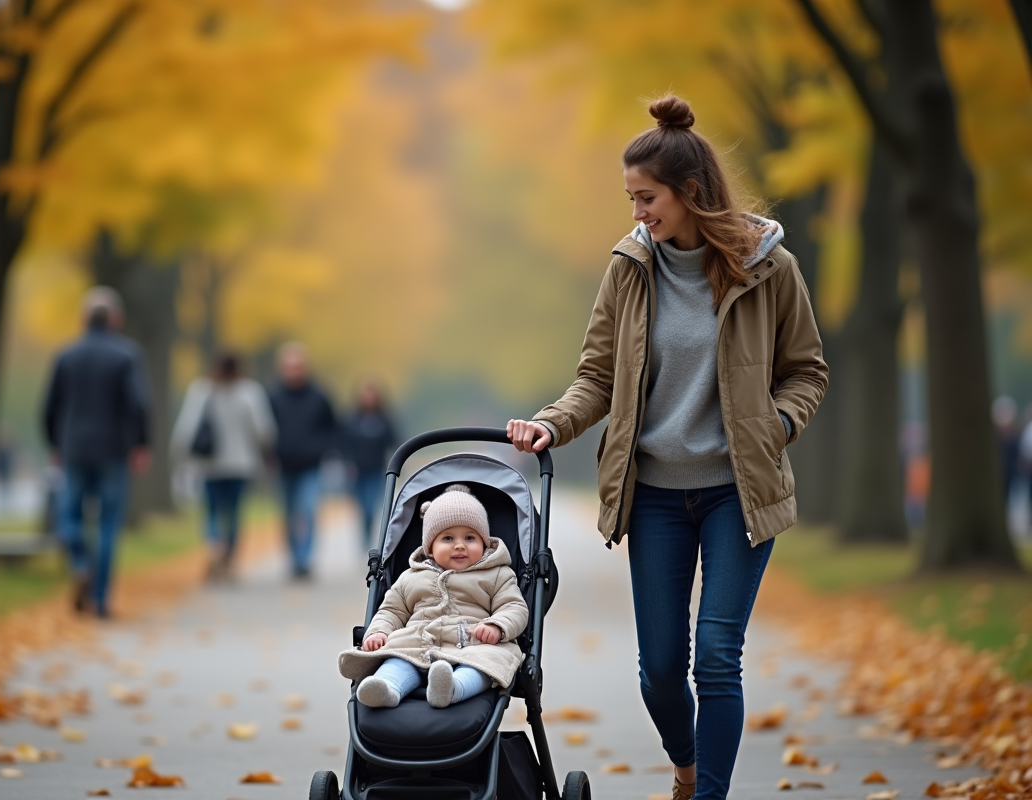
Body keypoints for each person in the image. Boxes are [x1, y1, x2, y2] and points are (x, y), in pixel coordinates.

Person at [506, 96, 828, 800]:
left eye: (645, 197)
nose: (637, 213)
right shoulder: (628, 269)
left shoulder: (770, 269)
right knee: (659, 668)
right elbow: (597, 375)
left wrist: (776, 425)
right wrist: (551, 424)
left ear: (689, 193)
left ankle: (708, 793)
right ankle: (684, 766)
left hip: (737, 491)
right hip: (653, 497)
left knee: (717, 656)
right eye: (630, 198)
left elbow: (806, 370)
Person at [338, 484, 529, 708]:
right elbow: (392, 610)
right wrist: (379, 631)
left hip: (472, 645)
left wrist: (497, 626)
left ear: (484, 543)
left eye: (470, 538)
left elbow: (515, 607)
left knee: (485, 666)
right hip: (417, 643)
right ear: (429, 548)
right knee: (397, 660)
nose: (459, 546)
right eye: (448, 539)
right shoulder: (412, 576)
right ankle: (386, 688)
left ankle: (452, 688)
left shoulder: (496, 574)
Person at [42, 286, 151, 618]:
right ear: (116, 319)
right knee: (107, 524)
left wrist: (54, 443)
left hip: (73, 447)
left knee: (69, 515)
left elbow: (50, 407)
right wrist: (141, 444)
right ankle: (101, 600)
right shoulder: (127, 355)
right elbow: (139, 404)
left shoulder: (65, 355)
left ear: (83, 318)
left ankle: (79, 561)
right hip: (113, 450)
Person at [171, 351, 276, 580]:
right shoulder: (250, 391)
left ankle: (212, 543)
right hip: (241, 464)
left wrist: (180, 451)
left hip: (209, 464)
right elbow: (264, 430)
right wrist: (263, 447)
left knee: (211, 510)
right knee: (234, 512)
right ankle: (228, 561)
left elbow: (187, 426)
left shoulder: (202, 389)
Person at [268, 342, 338, 579]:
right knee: (288, 514)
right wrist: (269, 454)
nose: (294, 371)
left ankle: (304, 560)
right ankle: (293, 558)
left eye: (298, 366)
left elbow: (332, 427)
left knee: (307, 511)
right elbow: (264, 429)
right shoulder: (273, 397)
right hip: (283, 464)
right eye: (289, 367)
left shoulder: (319, 396)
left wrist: (323, 450)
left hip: (311, 465)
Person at [342, 379, 398, 550]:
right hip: (356, 471)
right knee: (361, 508)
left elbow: (394, 441)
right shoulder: (351, 420)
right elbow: (343, 443)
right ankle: (363, 540)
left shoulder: (384, 419)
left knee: (371, 506)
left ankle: (372, 539)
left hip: (377, 470)